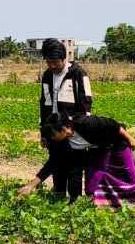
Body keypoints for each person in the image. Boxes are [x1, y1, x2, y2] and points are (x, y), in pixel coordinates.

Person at [20, 112, 135, 209]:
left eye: (54, 134)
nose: (53, 138)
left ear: (64, 129)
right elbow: (53, 162)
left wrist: (130, 138)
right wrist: (31, 185)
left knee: (128, 175)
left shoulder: (85, 123)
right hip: (99, 148)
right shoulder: (63, 141)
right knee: (92, 184)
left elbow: (113, 125)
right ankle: (108, 208)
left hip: (116, 141)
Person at [37, 39, 94, 200]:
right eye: (49, 62)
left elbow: (86, 103)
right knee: (56, 165)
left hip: (73, 130)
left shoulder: (78, 74)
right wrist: (44, 132)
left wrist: (77, 129)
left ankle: (75, 201)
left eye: (55, 62)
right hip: (54, 130)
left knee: (74, 168)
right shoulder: (47, 75)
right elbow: (44, 103)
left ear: (64, 58)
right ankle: (59, 197)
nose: (52, 66)